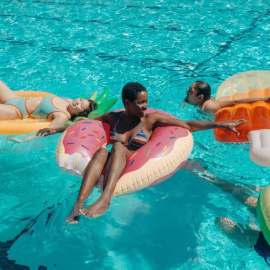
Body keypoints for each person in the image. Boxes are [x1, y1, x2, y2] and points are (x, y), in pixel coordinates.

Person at [61, 82, 245, 224]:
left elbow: (187, 125)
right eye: (140, 102)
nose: (145, 106)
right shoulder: (113, 117)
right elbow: (87, 125)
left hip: (136, 165)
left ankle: (105, 199)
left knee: (116, 147)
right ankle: (77, 208)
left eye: (146, 102)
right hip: (112, 164)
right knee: (101, 152)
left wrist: (220, 124)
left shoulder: (150, 120)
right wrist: (56, 129)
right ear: (127, 103)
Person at [194, 168, 270, 264]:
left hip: (264, 243)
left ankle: (200, 172)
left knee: (221, 221)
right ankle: (202, 173)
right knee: (240, 195)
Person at [0, 81, 97, 133]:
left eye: (81, 105)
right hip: (14, 98)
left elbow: (47, 131)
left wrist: (25, 140)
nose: (77, 102)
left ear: (80, 113)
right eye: (80, 99)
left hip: (15, 111)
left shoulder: (62, 116)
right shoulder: (67, 101)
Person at [184, 81, 270, 114]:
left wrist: (265, 99)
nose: (186, 92)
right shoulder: (194, 99)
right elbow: (187, 100)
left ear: (200, 98)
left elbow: (236, 102)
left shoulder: (209, 107)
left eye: (190, 92)